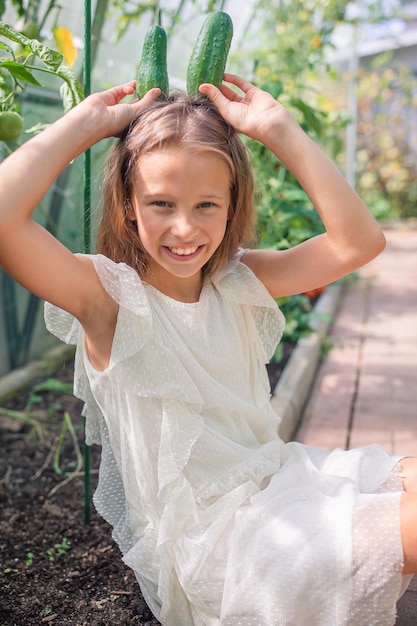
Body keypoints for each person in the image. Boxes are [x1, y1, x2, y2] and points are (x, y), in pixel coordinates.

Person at [0, 73, 416, 626]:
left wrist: (278, 128)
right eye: (161, 203)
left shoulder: (237, 279)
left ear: (231, 204)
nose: (183, 228)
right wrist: (85, 125)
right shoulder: (110, 300)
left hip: (283, 484)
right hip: (223, 549)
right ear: (128, 205)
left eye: (206, 206)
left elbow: (358, 242)